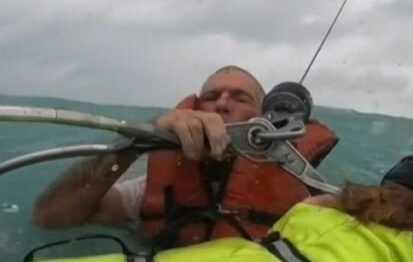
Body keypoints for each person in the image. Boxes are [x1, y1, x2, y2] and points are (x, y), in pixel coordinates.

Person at [32, 66, 338, 247]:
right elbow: (51, 217)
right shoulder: (148, 189)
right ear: (193, 110)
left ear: (264, 117)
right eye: (211, 97)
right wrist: (137, 142)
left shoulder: (303, 190)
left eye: (240, 97)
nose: (222, 104)